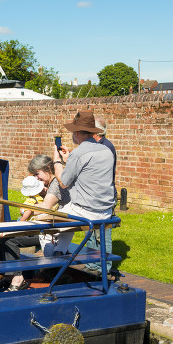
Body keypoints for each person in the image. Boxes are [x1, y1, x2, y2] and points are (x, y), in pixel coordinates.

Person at [0, 154, 70, 292]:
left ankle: (17, 279)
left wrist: (28, 210)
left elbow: (46, 208)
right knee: (3, 238)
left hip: (50, 230)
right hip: (44, 226)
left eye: (38, 174)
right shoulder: (49, 185)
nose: (37, 178)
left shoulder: (56, 184)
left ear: (48, 169)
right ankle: (10, 276)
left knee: (9, 239)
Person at [50, 110, 115, 258]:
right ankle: (59, 252)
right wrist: (70, 159)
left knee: (46, 227)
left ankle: (52, 264)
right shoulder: (106, 150)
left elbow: (63, 182)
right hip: (106, 211)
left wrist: (57, 160)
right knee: (66, 211)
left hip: (86, 211)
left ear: (77, 132)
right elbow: (89, 171)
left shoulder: (79, 154)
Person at [85, 116, 118, 276]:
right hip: (92, 197)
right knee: (90, 233)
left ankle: (103, 267)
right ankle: (92, 264)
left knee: (102, 234)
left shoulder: (106, 148)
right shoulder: (95, 146)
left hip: (103, 197)